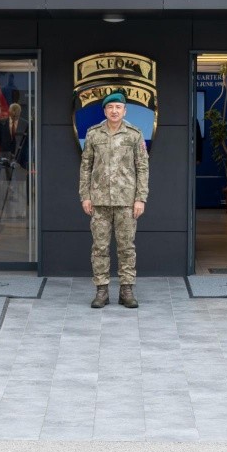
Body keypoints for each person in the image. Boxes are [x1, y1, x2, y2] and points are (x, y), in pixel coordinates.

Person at [78, 89, 149, 309]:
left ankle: (126, 290)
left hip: (126, 200)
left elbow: (142, 168)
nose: (114, 111)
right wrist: (85, 196)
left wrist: (140, 198)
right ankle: (102, 291)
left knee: (126, 247)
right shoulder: (93, 134)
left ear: (124, 110)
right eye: (110, 107)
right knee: (99, 247)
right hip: (99, 201)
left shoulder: (134, 134)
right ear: (105, 111)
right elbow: (86, 167)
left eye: (118, 107)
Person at [0, 102, 28, 170]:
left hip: (20, 155)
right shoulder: (2, 122)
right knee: (4, 175)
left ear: (20, 112)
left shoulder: (25, 124)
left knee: (18, 174)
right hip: (5, 153)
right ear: (9, 111)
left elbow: (27, 141)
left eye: (16, 111)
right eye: (13, 111)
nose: (14, 113)